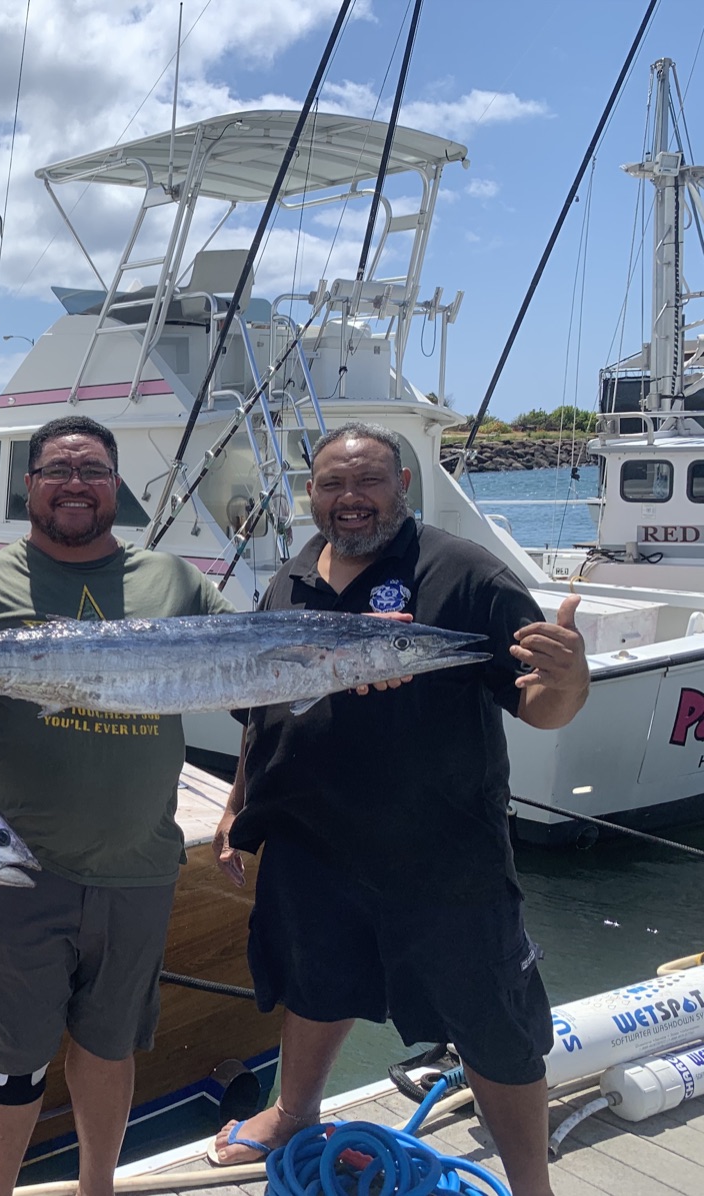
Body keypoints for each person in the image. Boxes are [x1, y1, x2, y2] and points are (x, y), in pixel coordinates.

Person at [208, 422, 589, 1196]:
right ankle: (294, 1115)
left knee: (491, 1018)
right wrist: (236, 803)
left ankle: (531, 1184)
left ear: (403, 487)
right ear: (311, 494)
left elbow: (538, 705)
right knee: (313, 985)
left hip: (443, 854)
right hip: (310, 844)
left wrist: (570, 681)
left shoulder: (466, 573)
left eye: (369, 481)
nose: (350, 498)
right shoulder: (289, 580)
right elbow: (261, 710)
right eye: (332, 484)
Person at [0, 414, 234, 1196]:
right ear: (30, 485)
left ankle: (97, 1189)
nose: (75, 484)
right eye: (58, 470)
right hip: (16, 866)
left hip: (138, 865)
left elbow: (255, 671)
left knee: (109, 1046)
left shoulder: (178, 582)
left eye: (92, 470)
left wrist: (350, 654)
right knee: (11, 1061)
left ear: (116, 485)